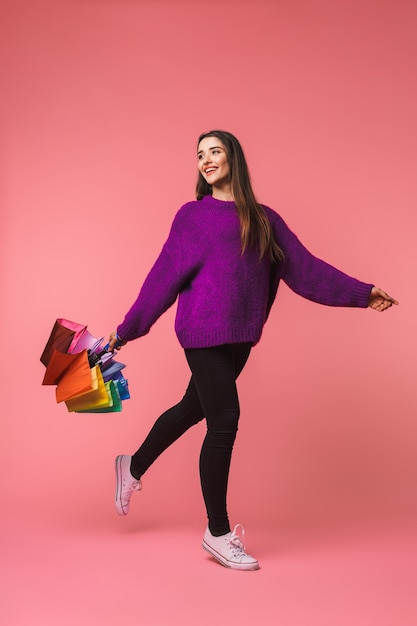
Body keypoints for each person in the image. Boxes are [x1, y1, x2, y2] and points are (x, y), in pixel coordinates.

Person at [108, 130, 398, 571]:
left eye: (215, 151)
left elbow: (307, 270)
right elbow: (162, 278)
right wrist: (127, 330)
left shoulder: (264, 219)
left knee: (192, 409)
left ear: (233, 159)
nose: (206, 160)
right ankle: (217, 532)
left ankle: (132, 465)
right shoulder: (193, 217)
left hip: (241, 335)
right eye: (200, 154)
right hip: (200, 333)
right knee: (225, 421)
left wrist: (362, 293)